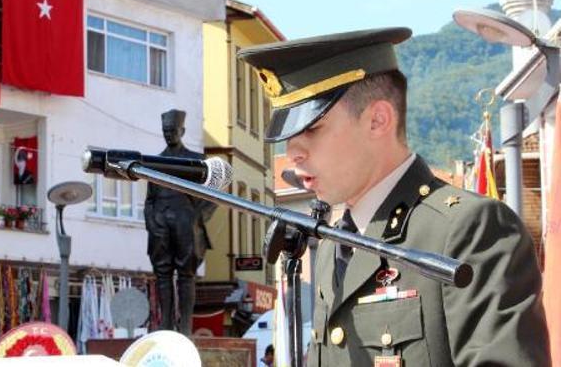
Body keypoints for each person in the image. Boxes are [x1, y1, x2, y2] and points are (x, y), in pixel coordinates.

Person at [238, 28, 549, 366]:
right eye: (287, 136)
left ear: (378, 120)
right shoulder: (331, 244)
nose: (293, 151)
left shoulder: (467, 229)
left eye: (312, 128)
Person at [144, 109, 217, 335]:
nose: (169, 135)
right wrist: (151, 220)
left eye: (172, 130)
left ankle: (185, 326)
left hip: (186, 222)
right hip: (161, 223)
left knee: (186, 275)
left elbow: (216, 193)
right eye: (165, 131)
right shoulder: (154, 161)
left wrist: (197, 216)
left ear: (182, 130)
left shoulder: (197, 161)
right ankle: (165, 325)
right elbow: (149, 199)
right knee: (163, 274)